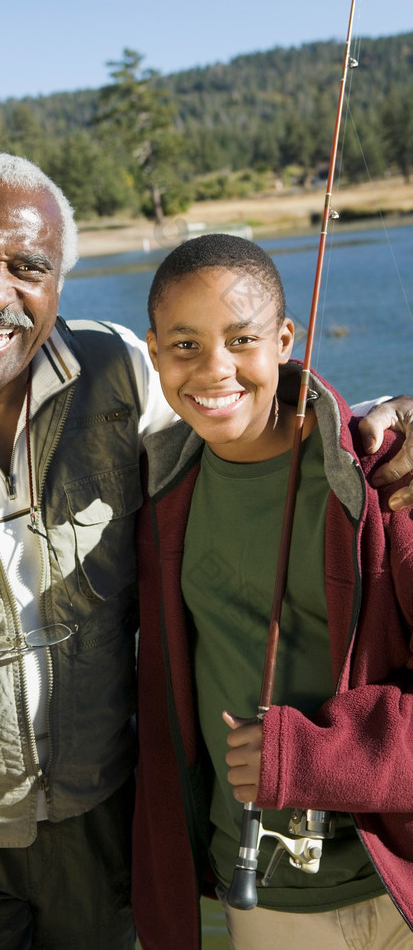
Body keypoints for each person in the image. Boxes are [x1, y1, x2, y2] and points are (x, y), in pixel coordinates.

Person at [0, 157, 413, 950]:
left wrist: (379, 423)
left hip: (103, 825)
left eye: (29, 267)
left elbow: (238, 414)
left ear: (60, 284)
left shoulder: (122, 370)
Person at [133, 233, 413, 950]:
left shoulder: (384, 483)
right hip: (268, 898)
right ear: (153, 350)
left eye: (243, 338)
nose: (215, 369)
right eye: (185, 345)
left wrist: (313, 758)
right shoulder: (155, 497)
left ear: (286, 339)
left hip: (401, 877)